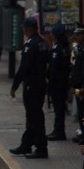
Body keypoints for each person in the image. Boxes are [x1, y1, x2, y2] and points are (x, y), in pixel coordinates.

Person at [9, 17, 49, 159]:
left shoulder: (30, 45)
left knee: (34, 117)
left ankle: (40, 147)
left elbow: (23, 68)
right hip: (40, 83)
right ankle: (26, 144)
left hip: (31, 85)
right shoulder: (42, 42)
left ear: (27, 28)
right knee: (34, 116)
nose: (23, 31)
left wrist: (14, 85)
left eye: (24, 28)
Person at [46, 25, 71, 140]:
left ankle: (59, 131)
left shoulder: (57, 49)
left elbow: (54, 68)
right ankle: (58, 130)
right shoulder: (66, 48)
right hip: (64, 82)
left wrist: (50, 81)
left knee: (58, 109)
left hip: (57, 83)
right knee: (60, 107)